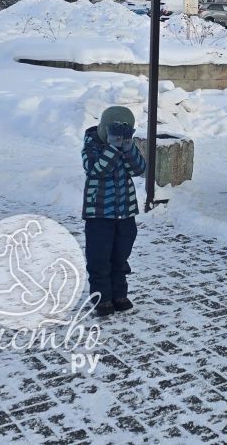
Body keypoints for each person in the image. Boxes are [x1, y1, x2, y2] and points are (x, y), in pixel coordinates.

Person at [81, 106, 147, 317]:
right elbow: (96, 170)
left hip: (125, 212)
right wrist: (112, 147)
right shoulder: (91, 146)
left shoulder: (125, 146)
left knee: (120, 256)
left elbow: (139, 169)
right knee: (99, 259)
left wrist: (127, 148)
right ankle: (102, 298)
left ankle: (119, 294)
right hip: (99, 214)